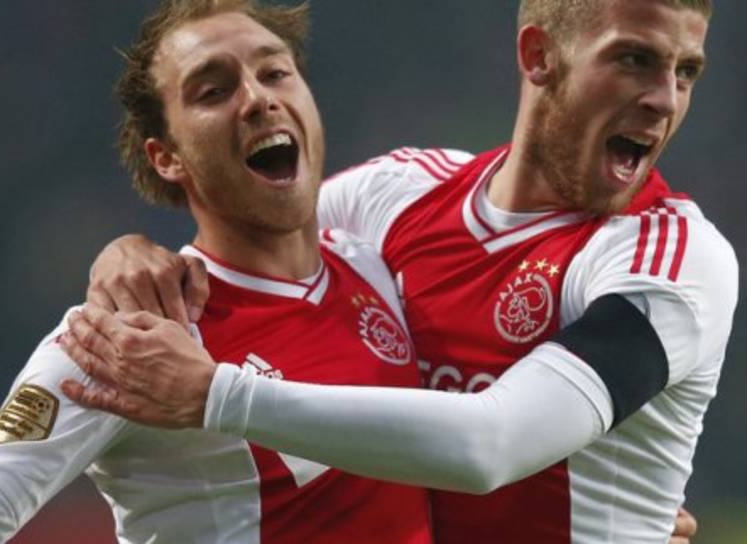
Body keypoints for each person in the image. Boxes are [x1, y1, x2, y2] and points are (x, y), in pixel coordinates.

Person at [66, 0, 736, 543]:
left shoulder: (671, 260)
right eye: (633, 59)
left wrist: (217, 395)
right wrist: (132, 253)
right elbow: (244, 233)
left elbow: (491, 445)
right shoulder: (397, 195)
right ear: (538, 56)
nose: (663, 99)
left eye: (685, 72)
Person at [0, 1, 436, 542]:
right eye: (213, 91)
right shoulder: (128, 335)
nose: (258, 99)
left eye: (275, 72)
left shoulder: (379, 263)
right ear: (167, 157)